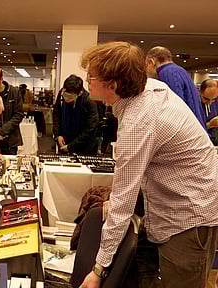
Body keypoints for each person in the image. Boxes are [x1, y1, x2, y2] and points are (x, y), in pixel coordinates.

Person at [80, 41, 218, 288]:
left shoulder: (138, 122)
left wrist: (98, 269)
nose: (87, 80)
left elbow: (123, 202)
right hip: (182, 204)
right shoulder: (150, 88)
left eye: (92, 76)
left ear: (114, 83)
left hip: (189, 217)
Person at [146, 46, 207, 130]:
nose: (147, 69)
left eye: (146, 64)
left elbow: (174, 107)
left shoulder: (166, 72)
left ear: (151, 61)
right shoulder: (180, 70)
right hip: (195, 126)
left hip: (187, 129)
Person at [52, 74, 99, 154]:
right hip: (65, 141)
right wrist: (58, 135)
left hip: (84, 146)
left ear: (80, 93)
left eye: (70, 97)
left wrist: (71, 146)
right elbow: (56, 114)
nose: (66, 99)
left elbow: (90, 129)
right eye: (65, 96)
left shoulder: (89, 101)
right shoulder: (62, 93)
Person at [0, 66, 24, 155]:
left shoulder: (14, 92)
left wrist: (2, 131)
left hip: (10, 141)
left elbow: (18, 115)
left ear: (1, 79)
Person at [200, 79, 218, 145]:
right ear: (200, 92)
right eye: (206, 99)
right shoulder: (195, 104)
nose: (210, 102)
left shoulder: (216, 100)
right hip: (202, 139)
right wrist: (209, 125)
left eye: (213, 99)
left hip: (214, 136)